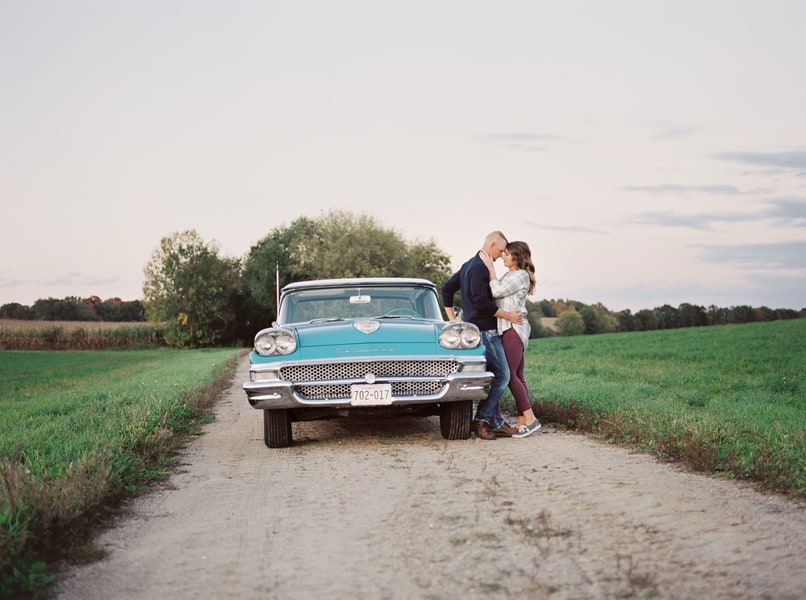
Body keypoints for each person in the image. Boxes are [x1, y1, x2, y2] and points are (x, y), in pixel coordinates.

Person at [442, 231, 523, 440]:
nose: (500, 255)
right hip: (486, 331)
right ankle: (481, 420)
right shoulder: (479, 268)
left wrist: (453, 319)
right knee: (503, 375)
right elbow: (481, 302)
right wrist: (507, 315)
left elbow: (447, 288)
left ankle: (495, 422)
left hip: (476, 330)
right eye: (500, 251)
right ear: (492, 245)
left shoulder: (468, 264)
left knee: (494, 376)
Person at [480, 240, 541, 438]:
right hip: (511, 327)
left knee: (509, 376)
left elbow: (496, 291)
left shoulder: (520, 275)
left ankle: (531, 419)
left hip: (512, 328)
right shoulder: (511, 275)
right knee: (519, 375)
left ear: (517, 256)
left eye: (507, 253)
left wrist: (490, 268)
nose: (503, 256)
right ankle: (523, 420)